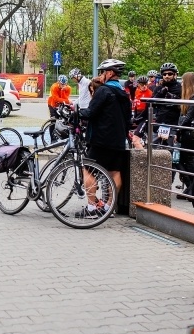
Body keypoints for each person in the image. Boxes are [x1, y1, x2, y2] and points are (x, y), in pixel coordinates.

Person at [76, 59, 131, 218]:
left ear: (110, 73)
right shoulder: (123, 93)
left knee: (87, 169)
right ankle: (108, 208)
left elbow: (91, 112)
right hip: (118, 140)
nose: (100, 75)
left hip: (101, 140)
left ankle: (92, 208)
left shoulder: (103, 91)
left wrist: (76, 112)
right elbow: (128, 119)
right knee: (114, 172)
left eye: (102, 72)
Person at [175, 72, 194, 198]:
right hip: (188, 130)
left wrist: (178, 130)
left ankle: (192, 187)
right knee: (180, 160)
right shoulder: (192, 95)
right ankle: (191, 186)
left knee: (187, 159)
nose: (181, 83)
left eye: (183, 81)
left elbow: (189, 116)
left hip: (191, 131)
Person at [151, 62, 182, 142]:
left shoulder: (180, 88)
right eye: (164, 74)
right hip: (159, 122)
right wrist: (160, 93)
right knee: (154, 149)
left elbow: (183, 106)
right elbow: (151, 104)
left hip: (173, 123)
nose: (167, 76)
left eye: (169, 74)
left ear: (174, 74)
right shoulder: (158, 88)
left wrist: (173, 97)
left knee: (169, 150)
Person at [47, 74, 72, 139]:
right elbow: (56, 99)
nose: (63, 86)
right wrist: (67, 101)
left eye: (64, 84)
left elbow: (65, 98)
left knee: (64, 120)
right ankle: (52, 139)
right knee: (53, 120)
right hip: (52, 103)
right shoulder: (54, 87)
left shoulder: (68, 88)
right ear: (58, 82)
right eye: (61, 84)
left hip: (61, 104)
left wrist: (63, 90)